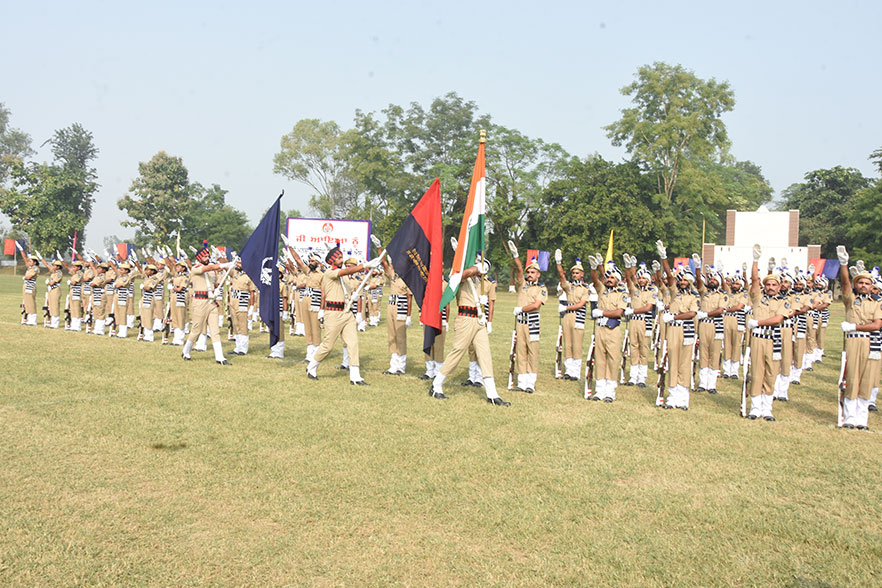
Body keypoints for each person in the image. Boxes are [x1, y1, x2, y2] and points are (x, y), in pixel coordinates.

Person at [430, 259, 510, 406]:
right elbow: (458, 277)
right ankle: (436, 385)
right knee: (457, 352)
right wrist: (475, 268)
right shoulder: (463, 277)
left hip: (479, 320)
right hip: (465, 318)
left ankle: (492, 394)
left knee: (485, 355)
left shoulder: (482, 282)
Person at [306, 245, 379, 384]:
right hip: (333, 313)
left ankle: (355, 376)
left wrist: (354, 296)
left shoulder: (345, 277)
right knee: (328, 345)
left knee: (353, 343)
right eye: (339, 258)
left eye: (341, 257)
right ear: (332, 260)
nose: (342, 259)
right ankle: (312, 366)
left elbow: (347, 288)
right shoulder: (329, 273)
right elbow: (346, 271)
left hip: (347, 313)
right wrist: (365, 266)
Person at [836, 246, 882, 430]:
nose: (863, 285)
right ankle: (850, 417)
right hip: (853, 342)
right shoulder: (851, 300)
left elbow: (877, 325)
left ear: (871, 286)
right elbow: (845, 284)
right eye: (860, 282)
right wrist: (844, 264)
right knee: (852, 378)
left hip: (870, 343)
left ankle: (862, 419)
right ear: (856, 285)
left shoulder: (877, 303)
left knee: (867, 380)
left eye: (866, 283)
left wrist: (854, 326)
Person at [745, 244, 787, 421]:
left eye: (774, 285)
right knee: (757, 373)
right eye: (768, 284)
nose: (770, 287)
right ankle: (755, 408)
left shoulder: (783, 301)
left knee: (771, 374)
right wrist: (755, 260)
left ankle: (767, 408)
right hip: (758, 339)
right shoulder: (758, 298)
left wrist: (758, 322)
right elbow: (754, 280)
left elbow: (778, 319)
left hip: (774, 340)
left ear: (779, 287)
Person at [657, 241, 699, 410]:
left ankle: (683, 398)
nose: (682, 282)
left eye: (686, 280)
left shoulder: (694, 297)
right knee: (673, 362)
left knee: (684, 363)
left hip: (686, 329)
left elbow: (692, 313)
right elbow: (669, 276)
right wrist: (664, 257)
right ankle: (672, 397)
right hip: (674, 330)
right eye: (681, 280)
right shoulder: (675, 293)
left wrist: (674, 316)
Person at [586, 253, 630, 402]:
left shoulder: (622, 294)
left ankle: (610, 391)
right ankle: (599, 390)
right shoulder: (602, 290)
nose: (609, 279)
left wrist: (602, 312)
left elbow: (619, 312)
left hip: (612, 329)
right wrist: (594, 267)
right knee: (600, 359)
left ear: (617, 279)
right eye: (608, 277)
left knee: (612, 360)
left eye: (612, 277)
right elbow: (595, 280)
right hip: (600, 329)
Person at [181, 244, 235, 364]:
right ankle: (186, 351)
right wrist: (224, 264)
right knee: (196, 330)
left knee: (215, 331)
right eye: (205, 256)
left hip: (211, 301)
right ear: (199, 257)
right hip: (200, 301)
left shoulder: (212, 272)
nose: (207, 258)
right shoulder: (195, 268)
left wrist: (217, 288)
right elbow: (207, 268)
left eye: (208, 256)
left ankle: (220, 357)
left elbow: (214, 283)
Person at [511, 244, 548, 393]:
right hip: (520, 321)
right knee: (521, 351)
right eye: (529, 272)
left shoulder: (541, 288)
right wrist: (516, 256)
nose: (530, 274)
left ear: (538, 274)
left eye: (533, 272)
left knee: (532, 352)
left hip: (532, 322)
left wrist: (521, 309)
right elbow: (519, 270)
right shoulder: (523, 285)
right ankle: (521, 382)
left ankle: (530, 383)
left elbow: (536, 305)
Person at [555, 250, 592, 381]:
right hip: (567, 317)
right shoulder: (569, 286)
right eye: (573, 273)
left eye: (577, 273)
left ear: (582, 274)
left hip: (578, 317)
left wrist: (566, 307)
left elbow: (581, 304)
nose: (575, 275)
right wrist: (558, 262)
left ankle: (575, 372)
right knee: (568, 344)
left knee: (576, 345)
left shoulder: (586, 288)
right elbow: (561, 276)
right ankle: (569, 371)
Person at [622, 255, 657, 387]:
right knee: (633, 348)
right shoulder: (634, 290)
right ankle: (633, 376)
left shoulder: (652, 291)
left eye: (644, 278)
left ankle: (642, 377)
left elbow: (648, 307)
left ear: (648, 279)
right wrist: (628, 266)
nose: (641, 280)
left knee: (643, 349)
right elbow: (629, 279)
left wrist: (633, 310)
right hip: (633, 322)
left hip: (644, 322)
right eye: (640, 278)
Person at [694, 261, 728, 394]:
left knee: (714, 354)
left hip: (715, 325)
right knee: (703, 353)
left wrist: (706, 314)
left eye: (715, 279)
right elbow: (698, 281)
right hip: (704, 325)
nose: (712, 281)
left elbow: (720, 310)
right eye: (711, 279)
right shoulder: (704, 293)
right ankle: (703, 383)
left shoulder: (722, 295)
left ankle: (712, 384)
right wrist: (698, 267)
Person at [381, 254, 413, 375]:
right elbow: (384, 263)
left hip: (401, 306)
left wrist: (408, 316)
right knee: (392, 336)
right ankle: (393, 366)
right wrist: (379, 249)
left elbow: (409, 297)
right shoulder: (393, 275)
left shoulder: (407, 277)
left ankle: (401, 366)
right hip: (391, 305)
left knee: (401, 337)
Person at [721, 271, 749, 379]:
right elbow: (724, 285)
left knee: (736, 345)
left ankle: (734, 371)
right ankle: (726, 370)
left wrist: (726, 310)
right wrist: (721, 274)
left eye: (737, 284)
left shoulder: (744, 294)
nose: (735, 285)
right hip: (727, 320)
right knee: (726, 345)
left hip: (738, 321)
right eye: (734, 283)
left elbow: (739, 307)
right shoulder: (729, 292)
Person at [229, 259, 253, 354]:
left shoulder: (249, 276)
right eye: (237, 263)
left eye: (239, 263)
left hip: (242, 299)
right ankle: (238, 347)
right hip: (233, 300)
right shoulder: (235, 273)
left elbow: (252, 292)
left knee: (243, 325)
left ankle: (243, 348)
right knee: (236, 325)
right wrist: (220, 256)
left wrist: (252, 306)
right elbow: (226, 267)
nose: (237, 265)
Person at [170, 260, 191, 346]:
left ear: (183, 268)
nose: (177, 268)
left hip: (181, 296)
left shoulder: (186, 277)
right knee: (174, 317)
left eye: (179, 266)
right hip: (174, 296)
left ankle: (180, 339)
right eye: (176, 266)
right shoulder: (177, 276)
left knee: (180, 317)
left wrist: (173, 287)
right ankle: (176, 338)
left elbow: (180, 289)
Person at [113, 262, 134, 337]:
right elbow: (114, 285)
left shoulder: (127, 277)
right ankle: (120, 330)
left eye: (122, 269)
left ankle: (123, 332)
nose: (120, 271)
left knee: (122, 313)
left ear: (126, 271)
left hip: (123, 295)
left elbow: (118, 285)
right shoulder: (119, 277)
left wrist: (116, 285)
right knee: (117, 313)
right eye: (120, 269)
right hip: (117, 294)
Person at [89, 261, 109, 335]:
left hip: (100, 294)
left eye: (100, 268)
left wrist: (91, 283)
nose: (98, 269)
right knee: (95, 311)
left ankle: (100, 329)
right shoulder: (98, 275)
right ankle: (96, 328)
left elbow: (93, 284)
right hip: (95, 294)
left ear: (104, 270)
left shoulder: (102, 277)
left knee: (100, 312)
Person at [21, 254, 40, 326]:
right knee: (26, 302)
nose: (29, 262)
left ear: (35, 262)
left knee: (31, 302)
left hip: (30, 286)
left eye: (30, 261)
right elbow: (25, 259)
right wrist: (22, 251)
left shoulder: (35, 268)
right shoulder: (30, 267)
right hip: (26, 285)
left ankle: (33, 320)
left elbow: (29, 277)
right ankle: (28, 318)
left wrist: (24, 277)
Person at [67, 260, 85, 331]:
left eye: (74, 267)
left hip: (76, 291)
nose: (73, 268)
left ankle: (77, 325)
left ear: (79, 267)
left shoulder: (80, 273)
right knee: (72, 308)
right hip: (73, 290)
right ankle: (73, 324)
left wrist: (70, 282)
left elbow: (74, 282)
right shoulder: (75, 273)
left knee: (77, 308)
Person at [45, 259, 64, 328]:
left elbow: (53, 282)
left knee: (55, 306)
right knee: (51, 305)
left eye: (54, 265)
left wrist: (48, 282)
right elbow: (47, 266)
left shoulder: (59, 273)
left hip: (55, 289)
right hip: (51, 290)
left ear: (58, 267)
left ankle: (55, 323)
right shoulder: (54, 272)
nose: (53, 266)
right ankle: (52, 322)